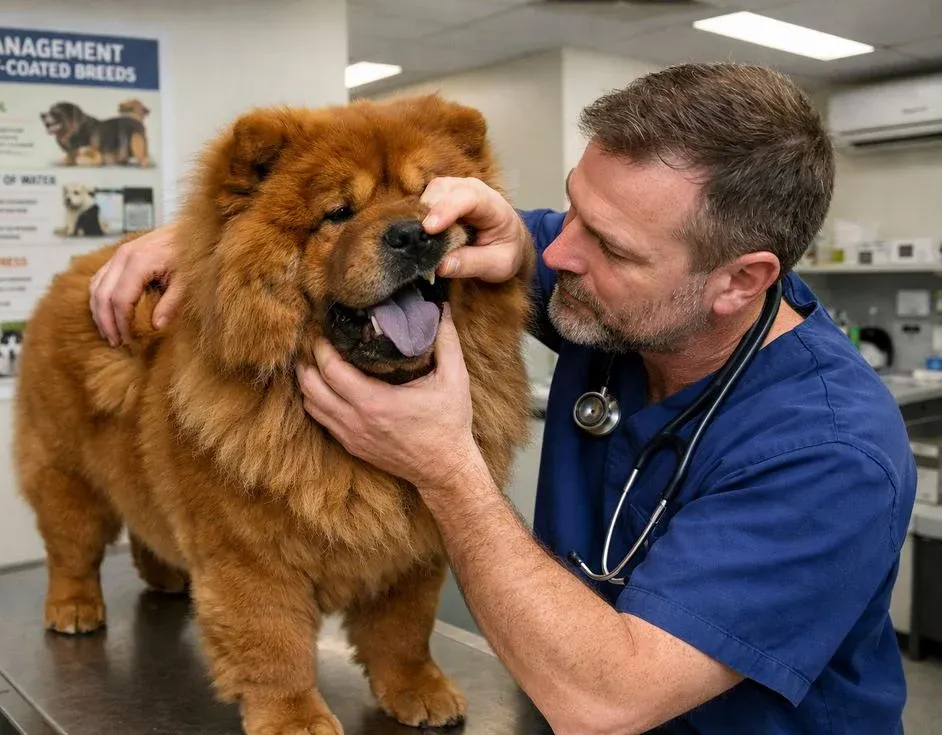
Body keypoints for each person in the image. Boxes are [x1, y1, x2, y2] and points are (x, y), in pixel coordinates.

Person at [88, 63, 917, 734]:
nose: (556, 252)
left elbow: (606, 702)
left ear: (739, 280)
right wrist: (203, 240)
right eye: (575, 209)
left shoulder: (829, 455)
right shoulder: (629, 292)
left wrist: (445, 467)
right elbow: (441, 228)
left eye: (607, 243)